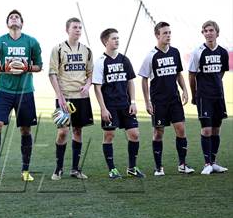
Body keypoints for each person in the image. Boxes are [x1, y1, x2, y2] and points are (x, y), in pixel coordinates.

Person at [0, 9, 42, 182]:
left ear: (22, 22)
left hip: (25, 92)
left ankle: (25, 170)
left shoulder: (32, 42)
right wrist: (5, 67)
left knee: (25, 129)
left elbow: (39, 66)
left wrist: (26, 67)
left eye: (17, 17)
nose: (14, 19)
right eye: (11, 17)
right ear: (7, 23)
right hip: (4, 91)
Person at [139, 22, 194, 176]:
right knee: (158, 133)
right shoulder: (151, 56)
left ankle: (182, 165)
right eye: (165, 33)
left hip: (174, 99)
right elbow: (143, 79)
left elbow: (178, 74)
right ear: (157, 35)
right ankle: (158, 167)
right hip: (158, 101)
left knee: (181, 129)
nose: (168, 35)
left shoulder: (175, 52)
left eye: (169, 32)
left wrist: (185, 91)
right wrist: (147, 101)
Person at [93, 28, 144, 179]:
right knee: (109, 135)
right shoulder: (100, 62)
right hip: (110, 106)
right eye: (114, 38)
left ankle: (132, 167)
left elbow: (130, 82)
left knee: (134, 134)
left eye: (118, 38)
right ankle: (112, 169)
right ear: (105, 42)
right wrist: (103, 108)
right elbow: (97, 87)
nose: (117, 40)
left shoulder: (124, 59)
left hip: (125, 104)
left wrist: (133, 102)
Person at [48, 17, 93, 180]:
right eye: (75, 27)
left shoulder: (87, 50)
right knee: (62, 132)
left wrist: (88, 86)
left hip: (81, 97)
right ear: (67, 30)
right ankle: (58, 169)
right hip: (64, 97)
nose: (78, 30)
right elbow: (52, 74)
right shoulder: (58, 49)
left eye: (80, 27)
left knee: (78, 130)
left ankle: (75, 169)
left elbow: (90, 73)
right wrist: (59, 97)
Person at [188, 20, 229, 175]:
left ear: (217, 33)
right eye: (205, 31)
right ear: (203, 33)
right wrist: (194, 94)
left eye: (211, 30)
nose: (208, 33)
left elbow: (222, 72)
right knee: (206, 130)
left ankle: (213, 162)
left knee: (216, 130)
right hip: (204, 96)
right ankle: (207, 164)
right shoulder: (198, 52)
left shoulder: (223, 52)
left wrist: (215, 84)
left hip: (218, 95)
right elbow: (191, 75)